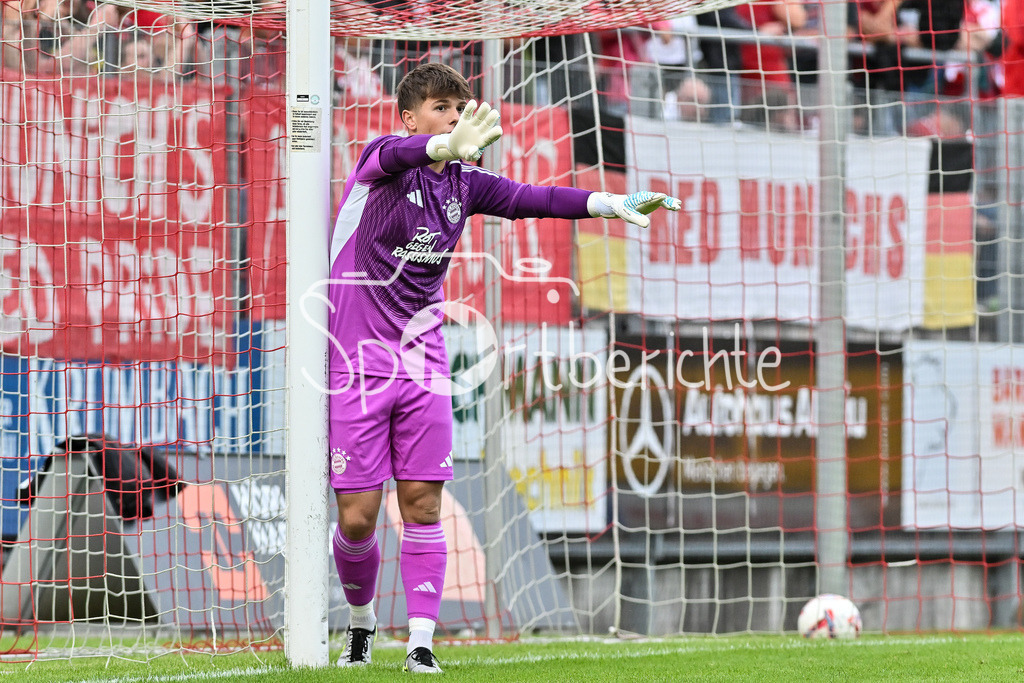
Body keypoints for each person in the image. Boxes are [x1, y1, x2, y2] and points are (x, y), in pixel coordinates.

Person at [327, 62, 679, 673]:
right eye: (441, 108)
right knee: (357, 517)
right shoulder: (377, 163)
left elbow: (532, 198)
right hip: (358, 364)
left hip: (425, 360)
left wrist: (610, 202)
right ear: (410, 116)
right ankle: (361, 620)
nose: (455, 118)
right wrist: (438, 145)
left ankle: (419, 642)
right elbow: (401, 154)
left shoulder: (464, 184)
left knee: (423, 504)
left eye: (459, 109)